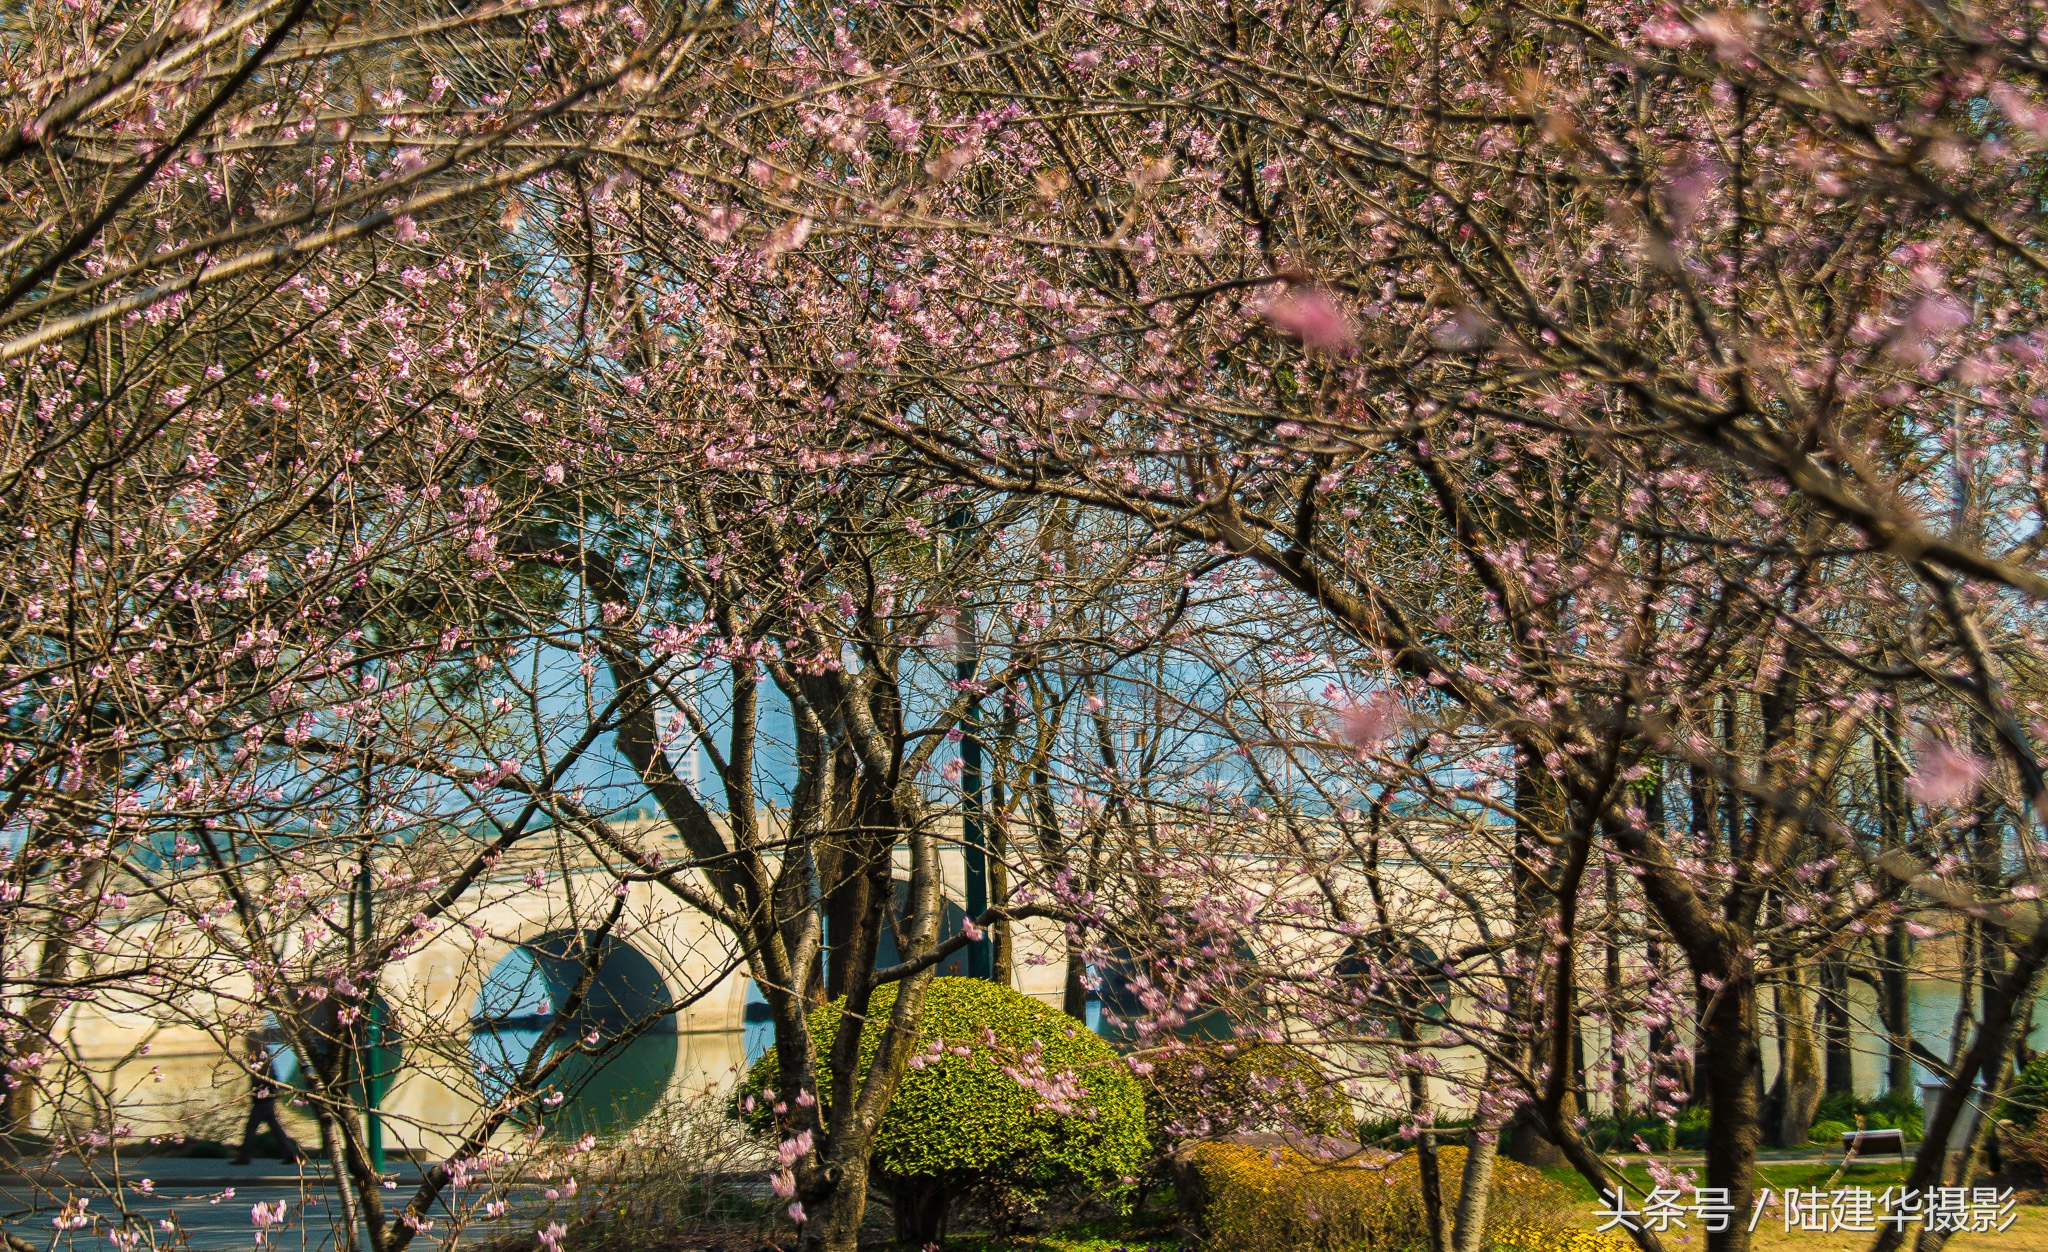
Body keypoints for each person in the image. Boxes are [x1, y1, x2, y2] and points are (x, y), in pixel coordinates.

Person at [233, 1034, 301, 1166]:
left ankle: (244, 1157)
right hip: (266, 1096)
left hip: (263, 1098)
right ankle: (290, 1155)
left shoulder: (260, 1058)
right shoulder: (262, 1056)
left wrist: (256, 1091)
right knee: (275, 1128)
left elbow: (262, 1077)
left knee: (251, 1128)